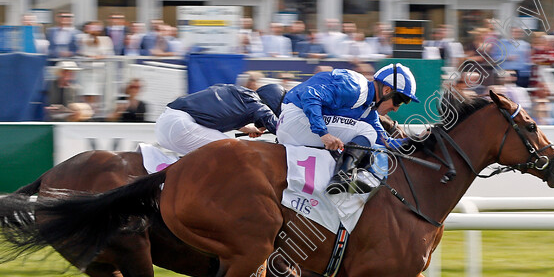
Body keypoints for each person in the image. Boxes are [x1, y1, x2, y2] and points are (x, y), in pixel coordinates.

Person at [276, 64, 419, 195]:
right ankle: (343, 176)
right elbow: (310, 95)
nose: (396, 108)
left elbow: (385, 142)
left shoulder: (368, 110)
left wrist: (418, 141)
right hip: (294, 120)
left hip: (295, 126)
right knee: (367, 131)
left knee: (369, 138)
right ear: (387, 90)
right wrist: (323, 133)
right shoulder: (355, 87)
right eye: (398, 101)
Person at [155, 83, 286, 155]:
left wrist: (246, 128)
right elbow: (278, 128)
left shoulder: (241, 95)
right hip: (179, 125)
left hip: (165, 124)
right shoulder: (257, 104)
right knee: (236, 152)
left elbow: (218, 112)